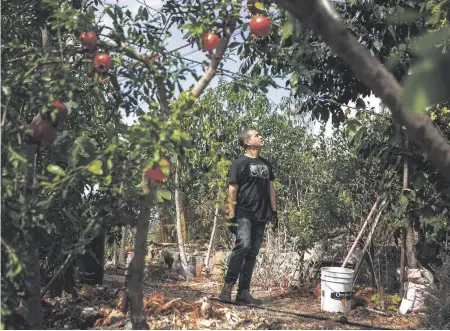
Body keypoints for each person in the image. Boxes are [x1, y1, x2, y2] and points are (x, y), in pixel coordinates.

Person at [218, 128, 278, 305]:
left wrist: (274, 212)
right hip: (244, 213)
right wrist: (231, 215)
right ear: (247, 142)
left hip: (262, 215)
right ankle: (227, 287)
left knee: (252, 253)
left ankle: (243, 292)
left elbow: (271, 189)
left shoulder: (266, 164)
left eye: (260, 134)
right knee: (243, 245)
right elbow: (232, 190)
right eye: (256, 135)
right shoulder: (239, 163)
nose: (261, 136)